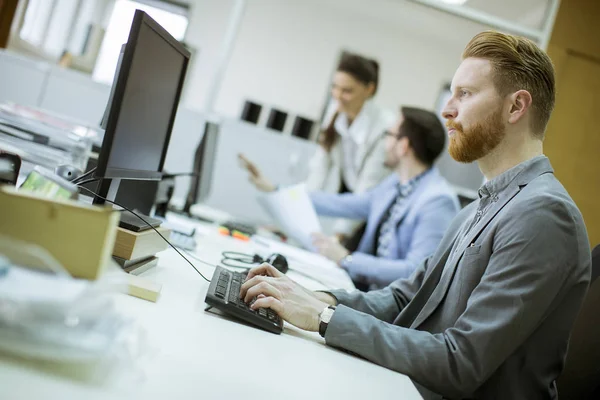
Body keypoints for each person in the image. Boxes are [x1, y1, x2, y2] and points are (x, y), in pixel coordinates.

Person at [239, 31, 592, 399]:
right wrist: (316, 298)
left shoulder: (543, 214)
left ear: (516, 106)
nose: (447, 110)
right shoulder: (479, 206)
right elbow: (404, 298)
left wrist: (324, 320)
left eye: (465, 94)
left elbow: (460, 362)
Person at [241, 106, 459, 290]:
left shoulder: (437, 201)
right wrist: (277, 189)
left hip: (389, 304)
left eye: (388, 135)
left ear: (403, 146)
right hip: (364, 288)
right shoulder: (395, 184)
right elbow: (343, 204)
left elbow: (415, 272)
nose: (384, 143)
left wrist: (346, 259)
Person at [243, 52, 396, 239]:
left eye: (347, 91)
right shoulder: (336, 114)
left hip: (375, 215)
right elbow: (318, 172)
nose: (338, 96)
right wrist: (293, 221)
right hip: (353, 200)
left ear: (369, 89)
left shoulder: (384, 128)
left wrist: (338, 237)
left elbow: (364, 193)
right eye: (335, 87)